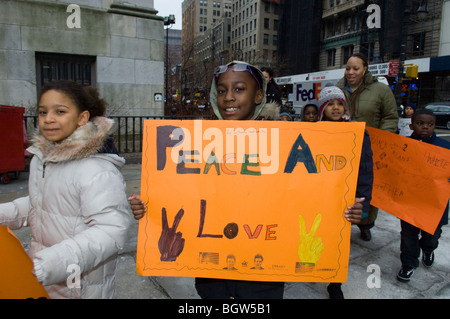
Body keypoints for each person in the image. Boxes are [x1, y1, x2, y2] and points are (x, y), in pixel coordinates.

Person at [130, 61, 365, 299]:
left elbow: (311, 195)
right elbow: (180, 196)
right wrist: (148, 206)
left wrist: (344, 211)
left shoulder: (284, 142)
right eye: (222, 91)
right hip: (213, 279)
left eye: (239, 89)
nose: (229, 97)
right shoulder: (198, 145)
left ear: (258, 95)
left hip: (262, 281)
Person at [0, 81, 131, 299]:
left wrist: (57, 260)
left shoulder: (97, 169)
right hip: (43, 272)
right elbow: (41, 204)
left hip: (79, 281)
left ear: (82, 118)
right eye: (43, 112)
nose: (48, 119)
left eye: (60, 111)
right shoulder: (42, 159)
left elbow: (112, 230)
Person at [317, 86, 374, 299]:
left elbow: (365, 169)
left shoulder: (358, 133)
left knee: (338, 242)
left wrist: (363, 204)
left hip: (343, 197)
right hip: (319, 196)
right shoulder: (313, 132)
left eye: (340, 103)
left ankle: (335, 283)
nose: (336, 108)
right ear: (323, 107)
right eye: (330, 104)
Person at [337, 52, 398, 241]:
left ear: (365, 69)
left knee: (366, 187)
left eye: (356, 68)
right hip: (342, 150)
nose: (351, 72)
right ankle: (340, 222)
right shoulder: (337, 89)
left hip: (368, 149)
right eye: (348, 68)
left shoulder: (381, 90)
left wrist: (377, 139)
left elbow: (390, 117)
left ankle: (365, 225)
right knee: (342, 187)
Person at [397, 108, 450, 282]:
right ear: (411, 126)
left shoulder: (445, 147)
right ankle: (408, 263)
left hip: (434, 204)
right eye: (420, 123)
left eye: (430, 124)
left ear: (435, 125)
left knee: (431, 237)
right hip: (410, 202)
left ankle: (428, 249)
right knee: (408, 235)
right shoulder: (403, 145)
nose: (425, 127)